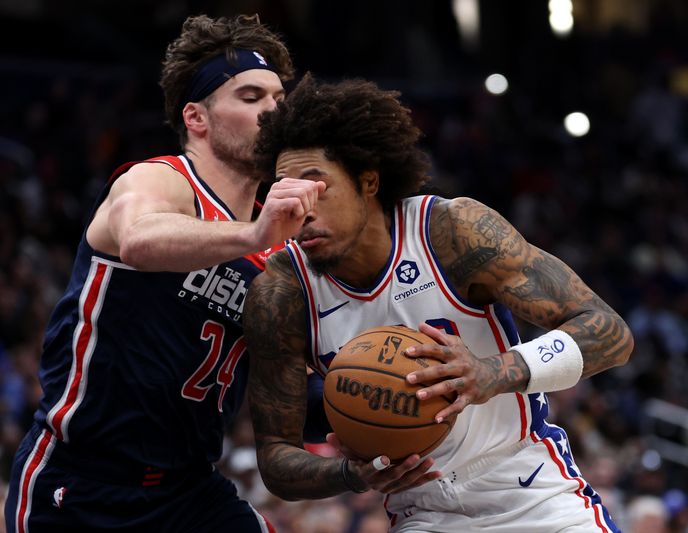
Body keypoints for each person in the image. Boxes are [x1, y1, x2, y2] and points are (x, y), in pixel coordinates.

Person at [243, 74, 634, 532]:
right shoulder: (280, 291)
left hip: (533, 494)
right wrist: (351, 473)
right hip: (420, 513)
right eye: (285, 190)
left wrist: (491, 372)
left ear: (368, 181)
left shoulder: (450, 231)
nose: (300, 206)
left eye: (316, 184)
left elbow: (610, 333)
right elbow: (274, 455)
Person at [5, 15, 324, 533]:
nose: (273, 109)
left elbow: (287, 390)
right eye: (249, 96)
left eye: (278, 98)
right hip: (83, 482)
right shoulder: (161, 180)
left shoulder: (282, 246)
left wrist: (388, 407)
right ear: (196, 117)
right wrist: (251, 236)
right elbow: (138, 239)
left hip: (191, 490)